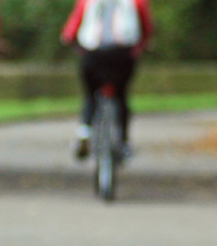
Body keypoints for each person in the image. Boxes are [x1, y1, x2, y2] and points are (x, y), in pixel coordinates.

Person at [61, 0, 153, 160]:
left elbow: (70, 32)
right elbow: (146, 29)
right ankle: (123, 141)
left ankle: (85, 131)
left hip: (93, 55)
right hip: (122, 55)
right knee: (121, 95)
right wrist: (144, 45)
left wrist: (71, 42)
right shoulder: (137, 2)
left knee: (90, 95)